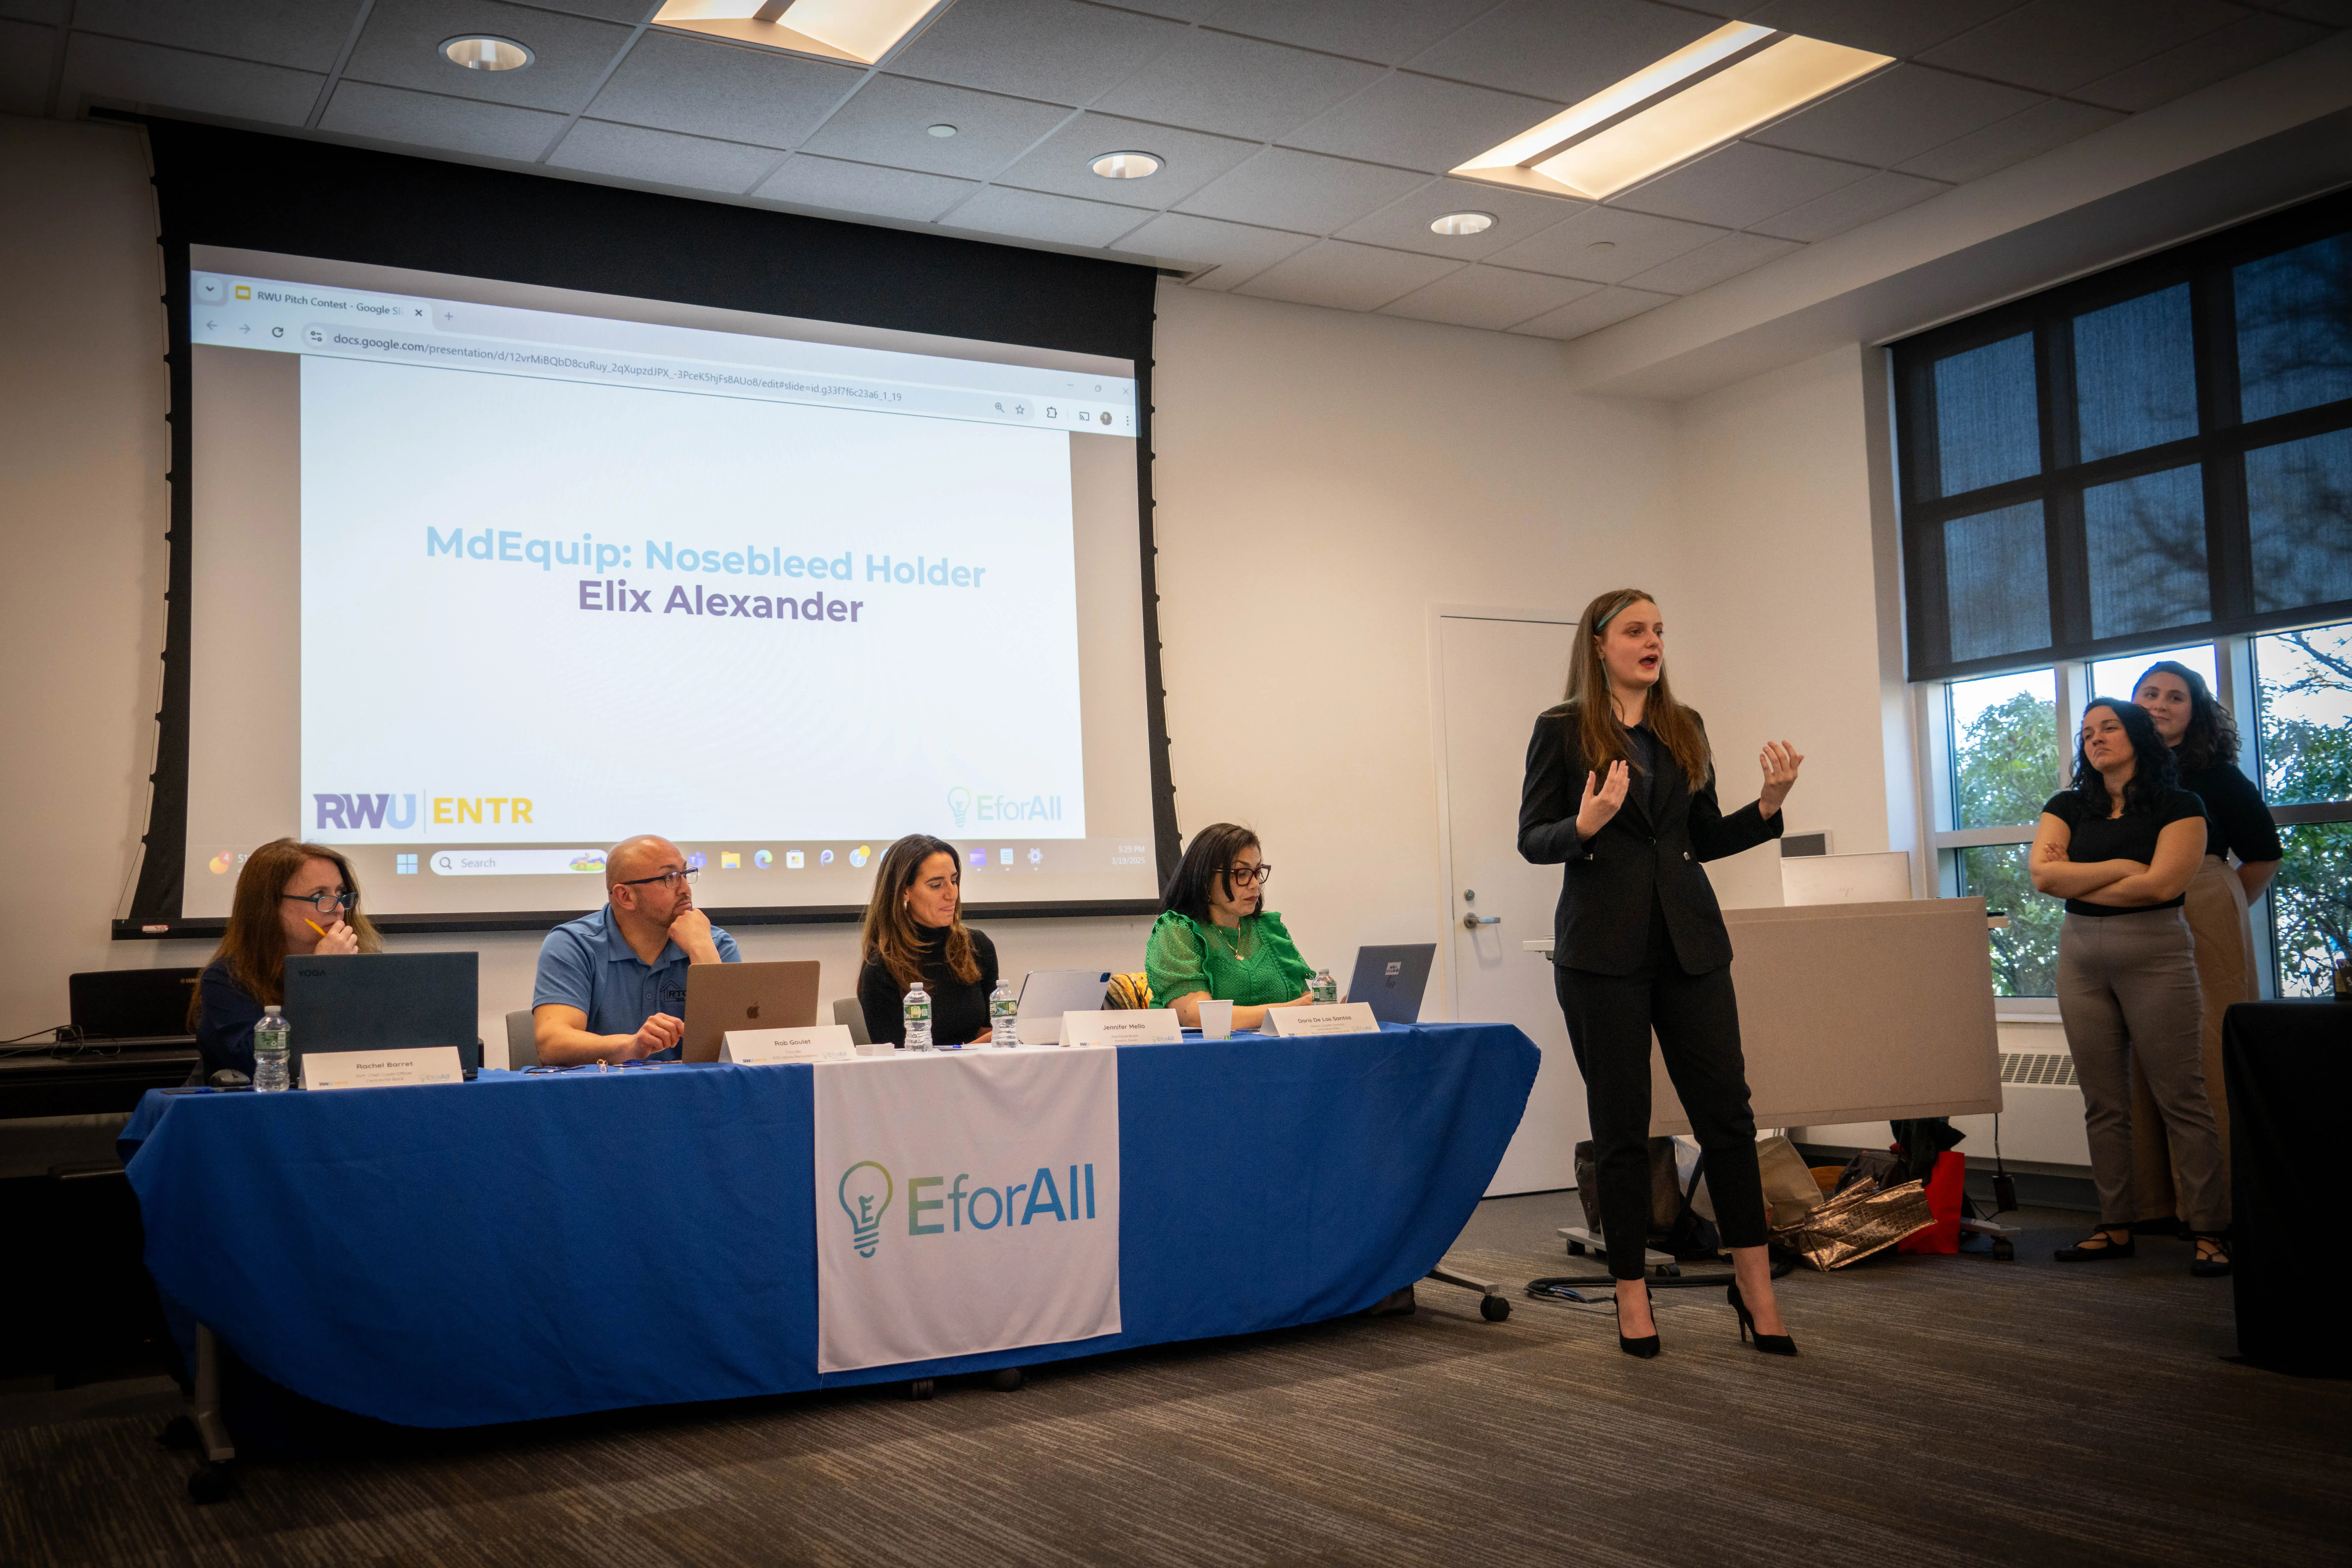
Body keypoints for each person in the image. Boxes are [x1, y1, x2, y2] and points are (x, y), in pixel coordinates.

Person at [1518, 588, 1802, 1358]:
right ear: (1600, 644)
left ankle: (1757, 1290)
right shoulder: (1561, 731)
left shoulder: (1685, 727)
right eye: (1637, 631)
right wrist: (1584, 826)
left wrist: (1769, 806)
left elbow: (1701, 838)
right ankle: (1632, 1298)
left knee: (1730, 1120)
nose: (1653, 642)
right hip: (1602, 956)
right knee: (1621, 1130)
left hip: (1691, 948)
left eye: (1660, 631)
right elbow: (1533, 838)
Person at [2030, 698, 2229, 1275]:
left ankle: (2209, 1230)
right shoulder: (2066, 805)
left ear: (2139, 737)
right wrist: (2123, 869)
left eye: (2108, 728)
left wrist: (2088, 879)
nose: (2095, 739)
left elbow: (2163, 886)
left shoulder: (2179, 805)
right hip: (2079, 956)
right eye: (2087, 732)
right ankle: (2114, 1225)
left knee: (2181, 1098)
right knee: (2102, 1102)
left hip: (2156, 953)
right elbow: (2044, 875)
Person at [2128, 660, 2280, 1251]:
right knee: (2139, 1056)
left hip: (2202, 911)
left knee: (2206, 1054)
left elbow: (2263, 854)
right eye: (2149, 694)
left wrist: (2217, 907)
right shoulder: (2115, 774)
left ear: (2194, 714)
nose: (2159, 704)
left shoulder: (2215, 778)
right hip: (2131, 915)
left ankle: (2214, 1208)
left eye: (2174, 697)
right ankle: (2153, 1205)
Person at [533, 835, 739, 1065]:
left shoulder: (715, 944)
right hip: (604, 1092)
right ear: (626, 897)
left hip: (694, 1094)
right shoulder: (574, 945)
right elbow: (552, 1045)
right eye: (670, 878)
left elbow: (740, 1046)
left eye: (685, 874)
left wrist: (702, 949)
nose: (685, 889)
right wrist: (632, 1046)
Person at [191, 839, 380, 1080]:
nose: (339, 909)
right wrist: (321, 974)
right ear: (270, 907)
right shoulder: (227, 979)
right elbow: (253, 1064)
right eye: (319, 895)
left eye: (341, 894)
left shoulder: (367, 965)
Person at [1144, 823, 1316, 1032]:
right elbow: (1197, 1016)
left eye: (1258, 872)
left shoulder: (1269, 928)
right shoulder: (1177, 930)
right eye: (1242, 874)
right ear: (1205, 878)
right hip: (1203, 1058)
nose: (1255, 885)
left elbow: (1303, 1001)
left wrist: (1332, 1011)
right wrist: (1287, 1011)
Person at [857, 834, 999, 1047]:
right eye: (936, 885)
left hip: (977, 1074)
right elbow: (895, 1056)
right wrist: (966, 1052)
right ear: (905, 891)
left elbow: (992, 1029)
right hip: (919, 1077)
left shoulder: (978, 946)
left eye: (954, 881)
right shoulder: (882, 965)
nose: (952, 894)